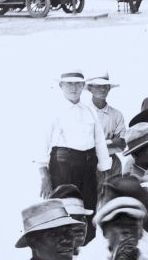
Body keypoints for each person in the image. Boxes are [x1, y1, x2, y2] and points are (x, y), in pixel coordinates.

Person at [42, 70, 112, 211]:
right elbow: (42, 143)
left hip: (88, 167)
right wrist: (44, 175)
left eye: (77, 84)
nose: (73, 88)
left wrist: (104, 171)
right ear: (61, 86)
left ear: (83, 86)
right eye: (69, 84)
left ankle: (89, 234)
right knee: (66, 207)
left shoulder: (89, 110)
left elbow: (99, 142)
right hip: (63, 167)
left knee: (89, 206)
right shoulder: (52, 110)